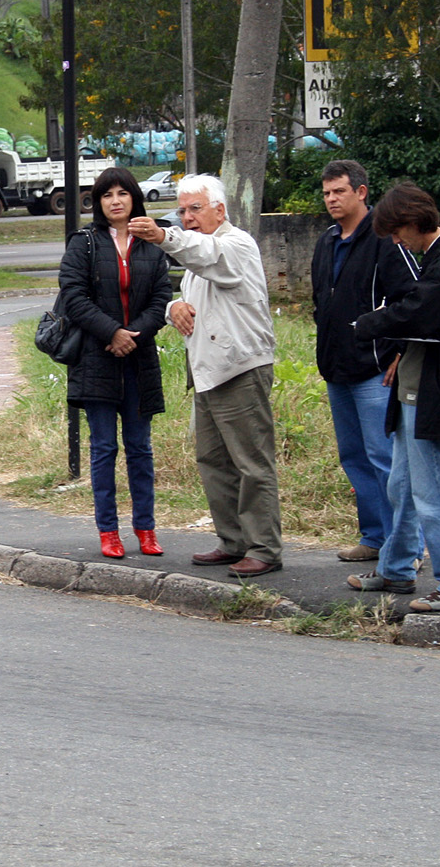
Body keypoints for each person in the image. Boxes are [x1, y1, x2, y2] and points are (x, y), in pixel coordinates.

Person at [127, 175, 281, 577]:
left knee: (251, 462)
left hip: (240, 369)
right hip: (209, 373)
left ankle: (264, 547)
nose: (188, 217)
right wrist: (172, 307)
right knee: (213, 461)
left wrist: (164, 236)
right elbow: (196, 293)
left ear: (219, 210)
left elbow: (208, 255)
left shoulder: (236, 244)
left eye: (195, 208)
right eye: (182, 210)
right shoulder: (199, 258)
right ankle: (233, 541)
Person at [347, 183, 440, 612]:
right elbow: (424, 320)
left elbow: (422, 311)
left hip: (434, 390)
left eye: (396, 230)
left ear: (412, 221)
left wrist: (371, 322)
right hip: (412, 385)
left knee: (435, 490)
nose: (395, 240)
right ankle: (397, 567)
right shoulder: (439, 259)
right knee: (402, 484)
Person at [59, 167, 172, 559]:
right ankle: (108, 532)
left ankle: (146, 528)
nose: (116, 201)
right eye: (107, 195)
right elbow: (73, 297)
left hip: (138, 360)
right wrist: (112, 333)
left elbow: (162, 300)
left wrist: (134, 334)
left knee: (140, 447)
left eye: (123, 193)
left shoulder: (151, 245)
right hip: (97, 359)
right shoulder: (84, 244)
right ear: (99, 202)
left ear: (135, 198)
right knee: (104, 447)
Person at [311, 160, 420, 563]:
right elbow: (322, 300)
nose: (331, 200)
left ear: (361, 192)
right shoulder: (326, 241)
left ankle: (405, 545)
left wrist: (400, 350)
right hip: (337, 369)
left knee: (385, 460)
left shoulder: (386, 239)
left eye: (339, 191)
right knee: (354, 458)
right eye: (326, 193)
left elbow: (412, 298)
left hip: (376, 372)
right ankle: (374, 537)